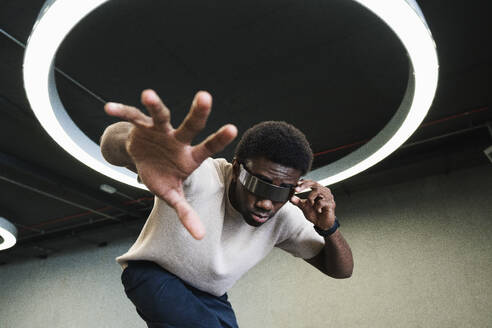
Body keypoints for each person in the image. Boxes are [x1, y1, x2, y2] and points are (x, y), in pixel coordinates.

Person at [100, 89, 353, 328]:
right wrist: (140, 144)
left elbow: (341, 270)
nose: (266, 203)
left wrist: (328, 228)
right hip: (153, 274)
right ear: (236, 168)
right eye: (257, 184)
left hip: (212, 296)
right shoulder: (201, 176)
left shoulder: (285, 215)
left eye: (280, 191)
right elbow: (112, 140)